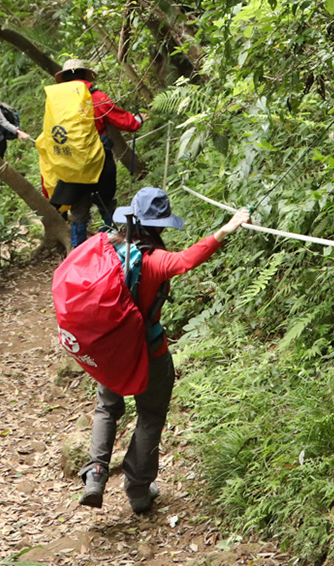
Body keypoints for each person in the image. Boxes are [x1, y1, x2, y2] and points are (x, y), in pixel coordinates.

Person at [81, 188, 250, 513]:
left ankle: (96, 475)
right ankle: (138, 492)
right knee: (151, 415)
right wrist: (226, 230)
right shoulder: (153, 261)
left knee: (106, 408)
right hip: (147, 350)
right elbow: (186, 260)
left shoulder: (108, 247)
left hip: (110, 349)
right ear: (159, 226)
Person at [46, 59, 141, 248]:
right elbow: (125, 122)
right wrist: (137, 120)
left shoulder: (57, 102)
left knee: (78, 211)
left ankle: (76, 253)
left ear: (64, 78)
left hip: (70, 163)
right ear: (85, 75)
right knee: (106, 203)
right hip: (98, 161)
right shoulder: (94, 96)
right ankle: (108, 249)